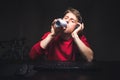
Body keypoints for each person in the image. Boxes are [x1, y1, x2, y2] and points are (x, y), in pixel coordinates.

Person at [29, 7, 94, 62]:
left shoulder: (79, 38)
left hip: (71, 74)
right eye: (66, 18)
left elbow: (90, 58)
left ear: (76, 27)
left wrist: (75, 36)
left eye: (72, 21)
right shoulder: (50, 35)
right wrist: (52, 35)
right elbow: (32, 56)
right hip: (51, 73)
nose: (67, 21)